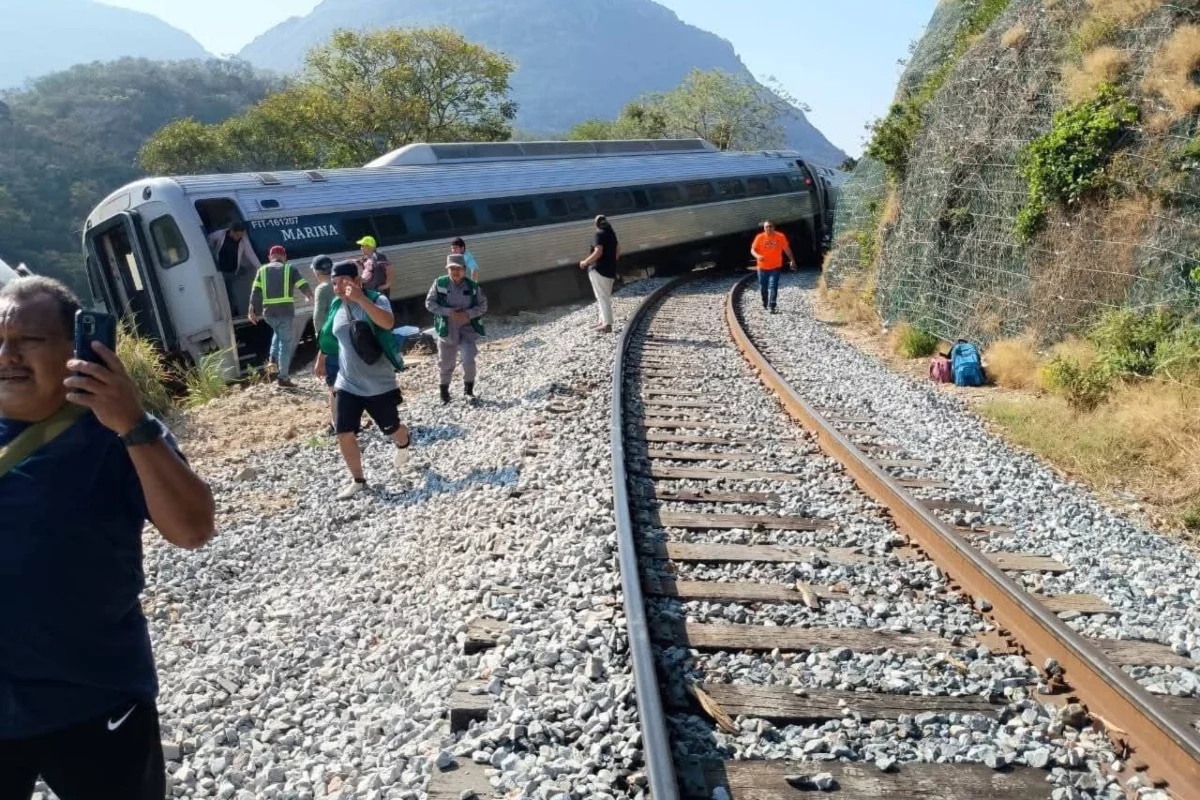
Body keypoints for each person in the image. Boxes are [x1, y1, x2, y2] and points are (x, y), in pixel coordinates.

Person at [0, 276, 214, 800]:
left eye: (28, 340)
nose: (7, 355)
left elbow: (192, 529)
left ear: (77, 347)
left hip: (94, 700)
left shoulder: (114, 430)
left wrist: (133, 423)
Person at [315, 261, 412, 500]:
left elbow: (387, 323)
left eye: (343, 282)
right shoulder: (336, 304)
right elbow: (331, 335)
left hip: (379, 383)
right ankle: (358, 480)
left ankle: (403, 443)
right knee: (343, 431)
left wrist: (360, 299)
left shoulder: (376, 299)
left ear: (357, 281)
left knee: (391, 428)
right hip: (347, 382)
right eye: (334, 283)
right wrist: (321, 358)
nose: (337, 288)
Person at [248, 245, 314, 389]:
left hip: (269, 314)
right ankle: (283, 378)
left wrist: (252, 310)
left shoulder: (262, 270)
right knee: (285, 344)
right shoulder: (290, 268)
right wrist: (309, 295)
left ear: (270, 257)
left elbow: (255, 292)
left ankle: (272, 359)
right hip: (285, 312)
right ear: (284, 256)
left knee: (277, 333)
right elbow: (302, 284)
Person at [425, 253, 488, 405]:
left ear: (465, 269)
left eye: (458, 268)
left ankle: (468, 391)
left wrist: (468, 314)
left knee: (468, 359)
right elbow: (429, 303)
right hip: (447, 330)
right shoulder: (439, 283)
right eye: (451, 268)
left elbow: (483, 305)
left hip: (467, 330)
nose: (455, 271)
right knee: (446, 363)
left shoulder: (473, 287)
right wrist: (448, 312)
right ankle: (444, 393)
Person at [206, 221, 260, 317]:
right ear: (232, 232)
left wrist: (260, 268)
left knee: (231, 294)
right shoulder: (220, 235)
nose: (239, 237)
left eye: (241, 235)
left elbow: (251, 255)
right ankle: (227, 314)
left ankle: (234, 314)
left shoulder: (243, 241)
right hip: (220, 271)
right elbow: (209, 239)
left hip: (231, 272)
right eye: (238, 235)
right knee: (223, 294)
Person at [578, 215, 620, 333]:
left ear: (596, 224)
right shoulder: (612, 235)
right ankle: (601, 321)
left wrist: (585, 262)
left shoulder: (598, 235)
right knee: (603, 296)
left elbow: (598, 251)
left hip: (599, 270)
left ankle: (607, 324)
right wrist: (610, 262)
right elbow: (618, 253)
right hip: (610, 271)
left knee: (602, 297)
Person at [310, 255, 337, 431]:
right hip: (346, 338)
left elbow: (319, 318)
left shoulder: (322, 288)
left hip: (332, 341)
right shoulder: (339, 283)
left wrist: (321, 345)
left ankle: (338, 424)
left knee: (334, 385)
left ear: (316, 271)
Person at [750, 220, 796, 314]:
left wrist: (792, 260)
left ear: (774, 227)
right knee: (763, 287)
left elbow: (786, 249)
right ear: (764, 228)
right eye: (766, 227)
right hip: (762, 267)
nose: (768, 228)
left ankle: (772, 305)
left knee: (773, 285)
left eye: (770, 226)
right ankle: (765, 302)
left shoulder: (780, 236)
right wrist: (757, 256)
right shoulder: (759, 237)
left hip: (775, 266)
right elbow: (753, 250)